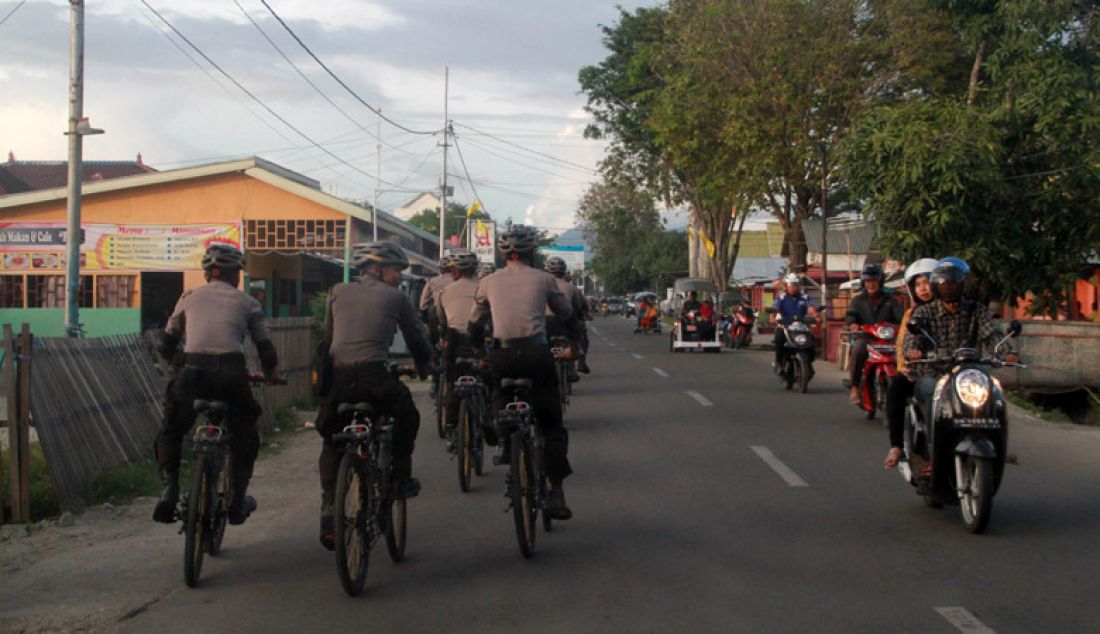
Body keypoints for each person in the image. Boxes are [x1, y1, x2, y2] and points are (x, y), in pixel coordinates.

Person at [314, 242, 432, 550]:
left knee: (332, 440)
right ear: (377, 270)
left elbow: (329, 339)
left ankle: (330, 508)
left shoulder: (337, 291)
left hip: (339, 381)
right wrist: (424, 367)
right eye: (395, 271)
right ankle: (400, 478)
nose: (398, 277)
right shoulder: (395, 297)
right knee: (408, 415)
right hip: (375, 378)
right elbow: (416, 337)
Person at [153, 244, 280, 525]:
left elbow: (165, 342)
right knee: (245, 434)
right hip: (231, 375)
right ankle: (236, 501)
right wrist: (270, 374)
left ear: (208, 273)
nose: (238, 277)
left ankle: (169, 489)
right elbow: (266, 348)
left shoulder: (189, 297)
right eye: (238, 272)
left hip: (191, 373)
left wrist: (177, 363)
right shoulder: (248, 303)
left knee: (172, 430)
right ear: (228, 273)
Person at [468, 224, 579, 520]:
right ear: (532, 252)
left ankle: (506, 442)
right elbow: (568, 316)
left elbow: (474, 325)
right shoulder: (545, 280)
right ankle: (555, 490)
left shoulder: (488, 282)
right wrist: (575, 347)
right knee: (551, 424)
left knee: (500, 395)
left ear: (504, 253)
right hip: (536, 354)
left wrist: (481, 353)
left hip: (502, 356)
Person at [902, 257, 1019, 443]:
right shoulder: (924, 312)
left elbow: (991, 335)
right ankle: (936, 450)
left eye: (953, 283)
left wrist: (1006, 352)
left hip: (968, 373)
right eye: (943, 283)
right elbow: (912, 338)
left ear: (962, 284)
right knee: (934, 394)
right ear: (936, 286)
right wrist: (914, 350)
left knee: (994, 394)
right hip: (934, 373)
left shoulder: (976, 310)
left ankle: (997, 443)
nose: (948, 288)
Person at [883, 258, 938, 468]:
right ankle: (897, 445)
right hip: (921, 372)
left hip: (953, 372)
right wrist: (904, 365)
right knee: (896, 388)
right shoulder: (913, 314)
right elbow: (904, 344)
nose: (923, 289)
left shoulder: (959, 309)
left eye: (928, 282)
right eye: (918, 285)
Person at [436, 250, 483, 435]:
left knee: (452, 379)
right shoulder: (484, 287)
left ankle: (450, 423)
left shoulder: (444, 292)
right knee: (489, 375)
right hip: (479, 340)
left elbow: (441, 320)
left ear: (454, 271)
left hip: (454, 343)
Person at [846, 264, 905, 405]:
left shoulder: (890, 300)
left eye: (874, 280)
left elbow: (901, 318)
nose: (871, 284)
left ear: (880, 281)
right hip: (866, 338)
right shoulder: (858, 300)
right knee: (858, 349)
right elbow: (850, 316)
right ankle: (854, 387)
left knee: (904, 352)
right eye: (867, 281)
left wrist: (902, 326)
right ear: (863, 282)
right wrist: (853, 324)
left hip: (888, 339)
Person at [543, 256, 591, 377]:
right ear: (563, 272)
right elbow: (579, 307)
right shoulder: (572, 288)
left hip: (544, 324)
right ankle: (580, 362)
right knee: (581, 336)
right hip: (566, 323)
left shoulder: (539, 286)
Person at [770, 273, 815, 374]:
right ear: (786, 286)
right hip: (785, 326)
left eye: (796, 285)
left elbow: (811, 309)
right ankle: (779, 364)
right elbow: (775, 309)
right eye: (791, 285)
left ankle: (808, 363)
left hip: (801, 326)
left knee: (812, 341)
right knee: (779, 339)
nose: (794, 287)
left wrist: (815, 316)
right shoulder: (781, 298)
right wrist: (773, 318)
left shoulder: (804, 297)